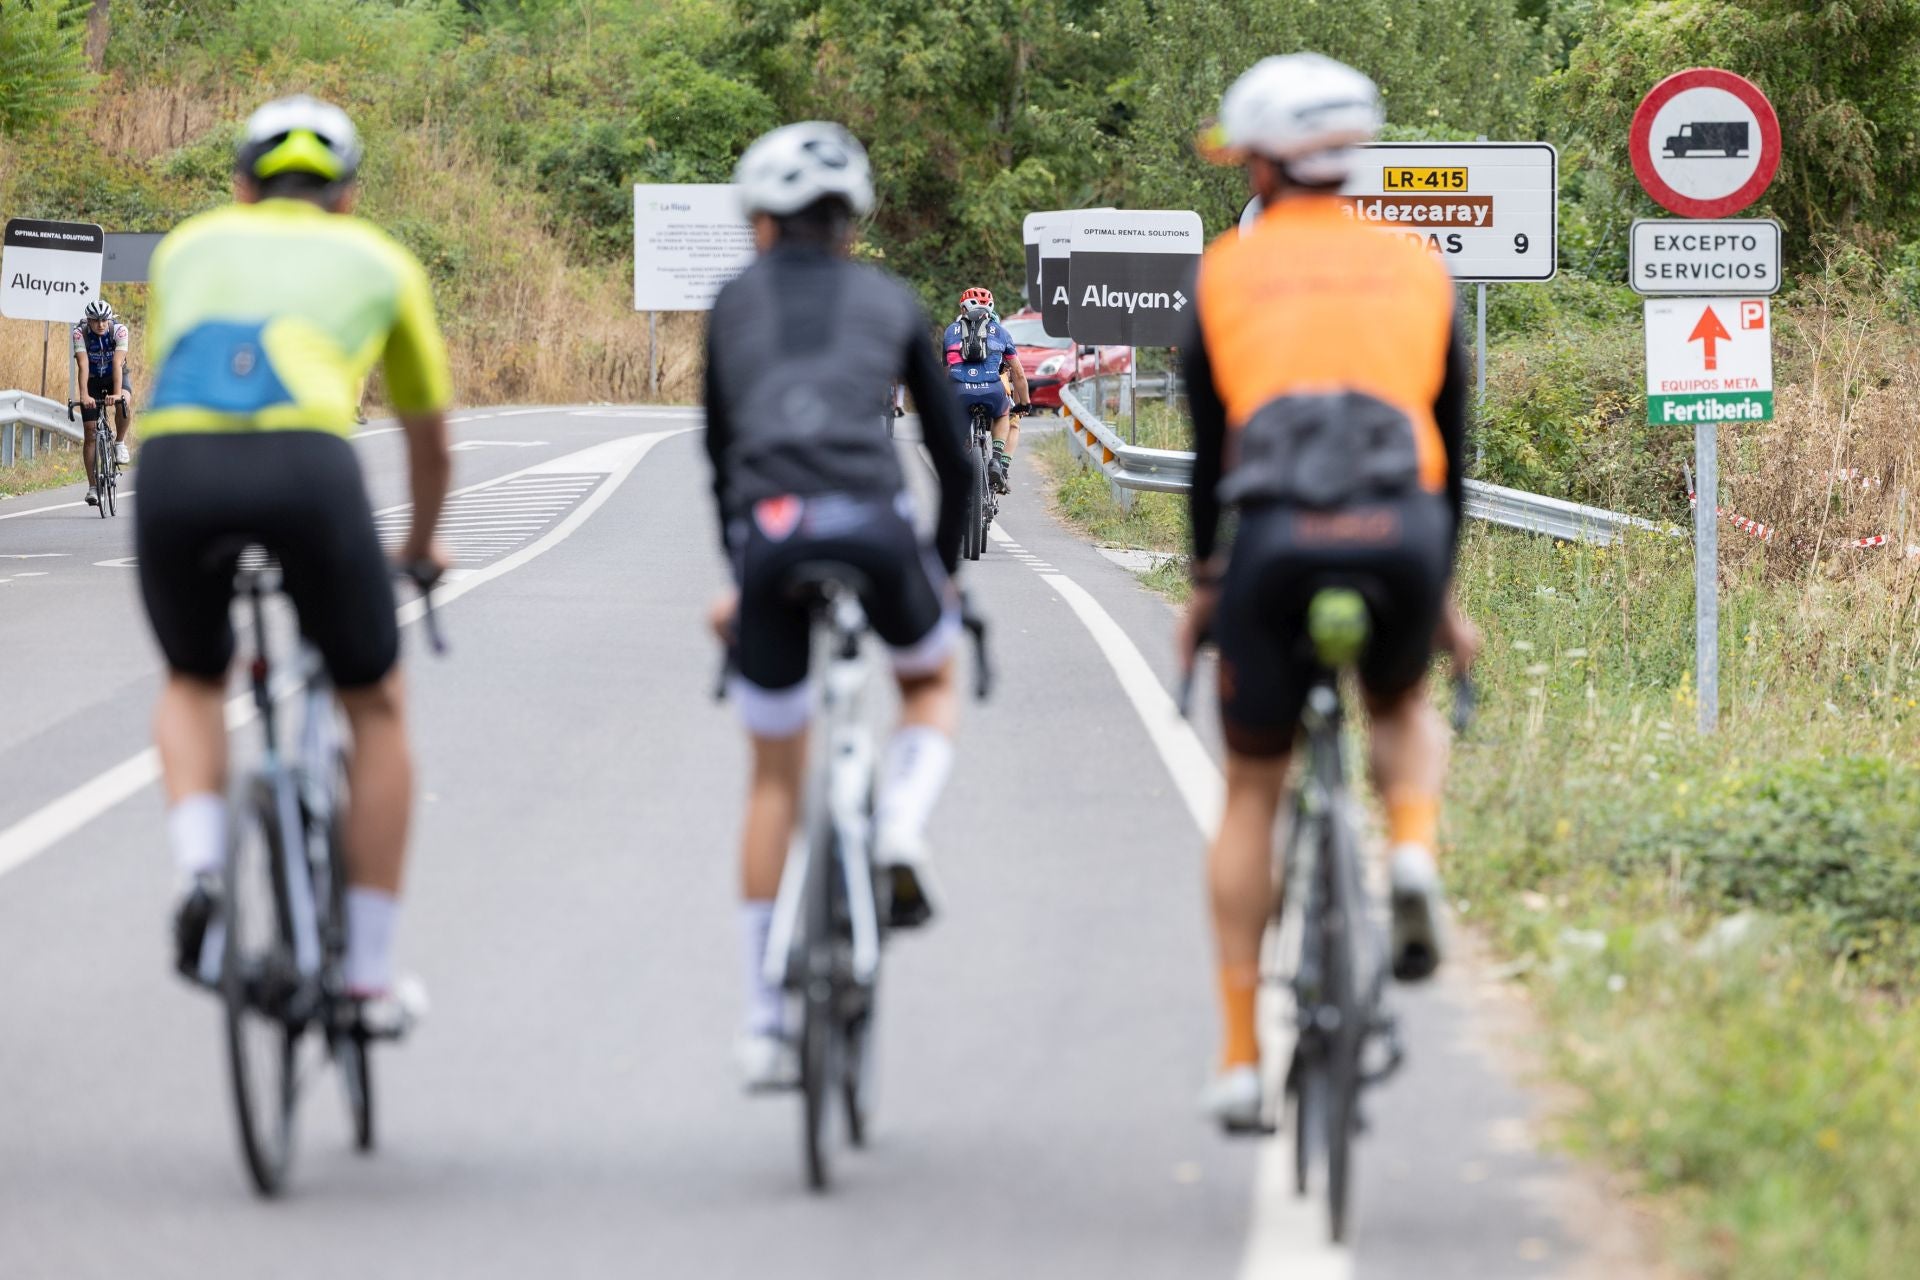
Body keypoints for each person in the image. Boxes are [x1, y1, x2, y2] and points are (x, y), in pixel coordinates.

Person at [1179, 54, 1481, 1129]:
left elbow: (1211, 458)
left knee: (1253, 786)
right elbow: (1453, 442)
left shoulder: (1223, 271)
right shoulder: (1420, 266)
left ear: (1261, 163)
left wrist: (1207, 581)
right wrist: (1442, 589)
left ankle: (1237, 1056)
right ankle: (1407, 847)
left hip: (1270, 541)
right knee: (1397, 703)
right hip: (1402, 528)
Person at [137, 95, 453, 1031]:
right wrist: (421, 544)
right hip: (307, 470)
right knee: (376, 704)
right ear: (348, 196)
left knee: (194, 677)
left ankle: (201, 869)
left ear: (241, 187)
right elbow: (428, 440)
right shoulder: (381, 260)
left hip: (177, 466)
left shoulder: (186, 247)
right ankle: (365, 977)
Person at [704, 121, 974, 1090]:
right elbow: (955, 461)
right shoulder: (890, 299)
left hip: (772, 532)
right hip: (874, 522)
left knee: (773, 774)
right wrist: (942, 576)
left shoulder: (732, 303)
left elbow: (721, 456)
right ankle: (900, 818)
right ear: (852, 223)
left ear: (762, 225)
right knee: (932, 673)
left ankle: (766, 1023)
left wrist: (737, 578)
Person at [943, 287, 1032, 493]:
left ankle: (960, 469)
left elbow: (946, 371)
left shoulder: (950, 331)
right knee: (1003, 415)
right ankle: (997, 461)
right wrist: (1025, 402)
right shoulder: (1001, 332)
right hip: (992, 389)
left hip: (959, 392)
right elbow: (1018, 374)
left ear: (962, 308)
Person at [73, 298, 133, 504]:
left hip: (115, 374)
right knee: (90, 432)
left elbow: (117, 362)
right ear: (88, 321)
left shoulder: (120, 331)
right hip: (92, 379)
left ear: (109, 319)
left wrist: (117, 395)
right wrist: (84, 396)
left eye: (104, 320)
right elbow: (83, 365)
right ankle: (92, 488)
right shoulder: (79, 333)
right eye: (95, 320)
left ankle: (119, 443)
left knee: (123, 401)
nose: (100, 324)